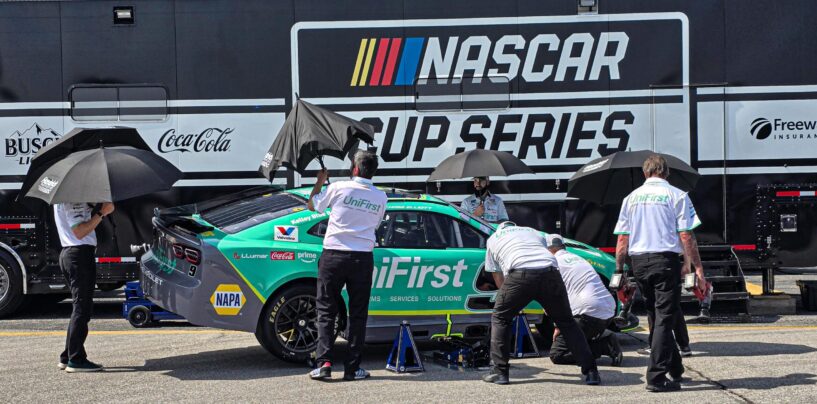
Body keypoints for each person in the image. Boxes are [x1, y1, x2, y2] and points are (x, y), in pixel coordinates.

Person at [613, 154, 707, 392]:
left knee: (657, 316)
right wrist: (696, 267)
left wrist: (619, 271)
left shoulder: (630, 198)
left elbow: (623, 239)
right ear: (667, 172)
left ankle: (675, 369)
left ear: (646, 173)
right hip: (665, 261)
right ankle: (656, 377)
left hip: (639, 263)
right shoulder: (677, 195)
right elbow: (686, 235)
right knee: (665, 317)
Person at [482, 222, 600, 386]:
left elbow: (498, 279)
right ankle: (591, 372)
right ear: (516, 225)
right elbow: (544, 253)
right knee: (567, 322)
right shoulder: (533, 231)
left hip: (519, 274)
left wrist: (513, 300)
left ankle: (500, 372)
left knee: (501, 318)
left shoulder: (493, 238)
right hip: (550, 272)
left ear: (501, 229)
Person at [307, 150, 387, 381]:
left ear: (354, 169)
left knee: (326, 311)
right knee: (358, 314)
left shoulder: (338, 187)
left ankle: (324, 364)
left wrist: (320, 182)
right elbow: (376, 223)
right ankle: (352, 368)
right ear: (373, 171)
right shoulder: (381, 197)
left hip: (334, 255)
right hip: (362, 257)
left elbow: (313, 206)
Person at [545, 234, 623, 367]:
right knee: (575, 339)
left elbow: (555, 299)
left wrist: (558, 326)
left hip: (587, 313)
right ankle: (604, 338)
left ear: (548, 249)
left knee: (558, 354)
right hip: (608, 309)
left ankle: (605, 346)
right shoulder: (578, 258)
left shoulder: (553, 263)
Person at [55, 201, 115, 372]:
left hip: (70, 253)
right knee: (83, 308)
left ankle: (68, 355)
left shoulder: (64, 198)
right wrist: (102, 213)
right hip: (79, 255)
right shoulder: (74, 200)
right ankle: (76, 359)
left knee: (79, 307)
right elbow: (79, 231)